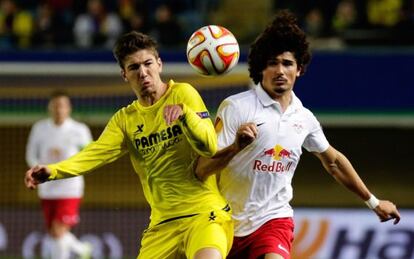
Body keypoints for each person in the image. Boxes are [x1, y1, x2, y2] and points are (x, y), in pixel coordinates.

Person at [195, 10, 401, 259]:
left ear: (299, 69)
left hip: (273, 221)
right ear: (261, 69)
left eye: (287, 63)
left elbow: (334, 162)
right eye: (272, 63)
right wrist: (235, 147)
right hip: (226, 222)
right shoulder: (236, 107)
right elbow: (202, 169)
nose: (280, 71)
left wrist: (374, 202)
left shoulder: (304, 118)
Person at [24, 31, 233, 259]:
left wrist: (185, 116)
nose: (143, 72)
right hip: (162, 224)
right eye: (134, 68)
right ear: (125, 75)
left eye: (148, 63)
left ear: (159, 64)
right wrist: (53, 171)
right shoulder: (125, 120)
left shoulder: (183, 94)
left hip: (204, 215)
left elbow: (210, 147)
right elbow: (93, 154)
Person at [25, 90, 92, 259]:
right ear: (50, 108)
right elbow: (31, 154)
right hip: (46, 188)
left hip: (70, 187)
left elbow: (89, 156)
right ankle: (81, 249)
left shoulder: (79, 130)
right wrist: (36, 172)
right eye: (55, 105)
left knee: (58, 230)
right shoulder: (39, 128)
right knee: (54, 232)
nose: (59, 109)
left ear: (68, 108)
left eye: (62, 105)